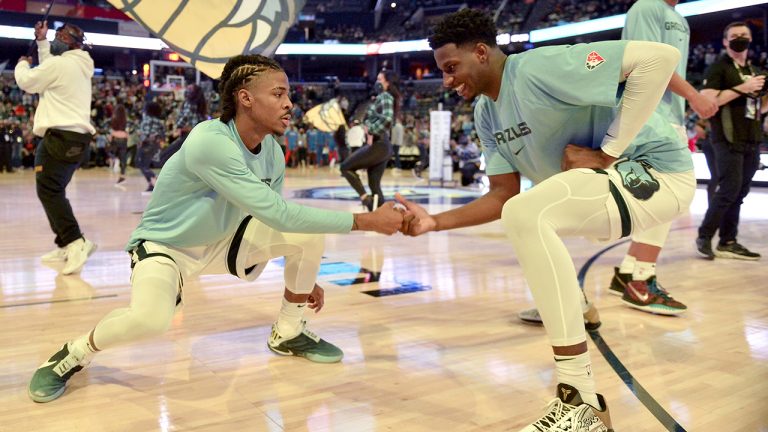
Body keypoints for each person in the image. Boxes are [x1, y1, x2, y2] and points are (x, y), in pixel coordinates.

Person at [28, 54, 404, 404]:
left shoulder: (272, 151)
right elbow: (281, 215)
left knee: (307, 236)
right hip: (166, 247)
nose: (290, 103)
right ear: (245, 98)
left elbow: (275, 220)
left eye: (288, 94)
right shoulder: (210, 140)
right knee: (150, 319)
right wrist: (365, 220)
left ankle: (288, 332)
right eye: (278, 93)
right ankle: (73, 353)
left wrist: (304, 278)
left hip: (226, 244)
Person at [397, 9, 696, 430]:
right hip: (608, 185)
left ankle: (581, 402)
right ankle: (578, 305)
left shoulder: (538, 67)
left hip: (655, 171)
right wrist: (434, 223)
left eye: (451, 68)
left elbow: (659, 58)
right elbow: (502, 196)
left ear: (481, 52)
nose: (446, 81)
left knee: (530, 214)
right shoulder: (486, 113)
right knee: (525, 212)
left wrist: (608, 150)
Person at [518, 0, 718, 324]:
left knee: (656, 195)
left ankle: (629, 274)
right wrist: (695, 96)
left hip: (669, 114)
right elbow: (654, 64)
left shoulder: (678, 17)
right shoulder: (647, 7)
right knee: (657, 193)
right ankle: (635, 280)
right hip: (647, 115)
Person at [14, 21, 97, 275]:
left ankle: (76, 242)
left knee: (49, 192)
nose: (56, 39)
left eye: (60, 36)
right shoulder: (80, 63)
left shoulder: (60, 65)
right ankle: (65, 243)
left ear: (71, 42)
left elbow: (27, 82)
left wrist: (22, 64)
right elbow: (51, 64)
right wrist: (42, 42)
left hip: (58, 138)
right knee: (54, 191)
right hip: (78, 139)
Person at [695, 22, 764, 260]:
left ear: (751, 39)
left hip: (752, 138)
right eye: (734, 36)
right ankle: (704, 235)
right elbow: (707, 101)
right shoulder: (718, 68)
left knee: (740, 192)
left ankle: (728, 241)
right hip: (726, 138)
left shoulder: (755, 71)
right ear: (725, 42)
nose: (739, 39)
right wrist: (743, 88)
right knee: (728, 189)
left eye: (744, 35)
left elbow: (760, 107)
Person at [340, 70, 400, 211]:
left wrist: (371, 129)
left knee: (345, 167)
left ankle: (365, 199)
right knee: (374, 184)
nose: (376, 82)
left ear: (388, 82)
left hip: (379, 144)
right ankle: (384, 215)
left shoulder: (385, 96)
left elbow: (387, 119)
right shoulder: (382, 97)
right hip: (383, 146)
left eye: (380, 79)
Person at [136, 101, 166, 193]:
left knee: (140, 164)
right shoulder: (159, 121)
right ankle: (151, 184)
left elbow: (145, 134)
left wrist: (141, 137)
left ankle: (154, 177)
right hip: (155, 145)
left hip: (147, 144)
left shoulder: (147, 119)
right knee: (146, 165)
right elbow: (163, 134)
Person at [110, 104, 129, 184]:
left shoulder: (113, 119)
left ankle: (115, 159)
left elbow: (109, 130)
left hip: (115, 138)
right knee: (123, 158)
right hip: (123, 139)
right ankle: (122, 176)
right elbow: (129, 131)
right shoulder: (126, 120)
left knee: (111, 153)